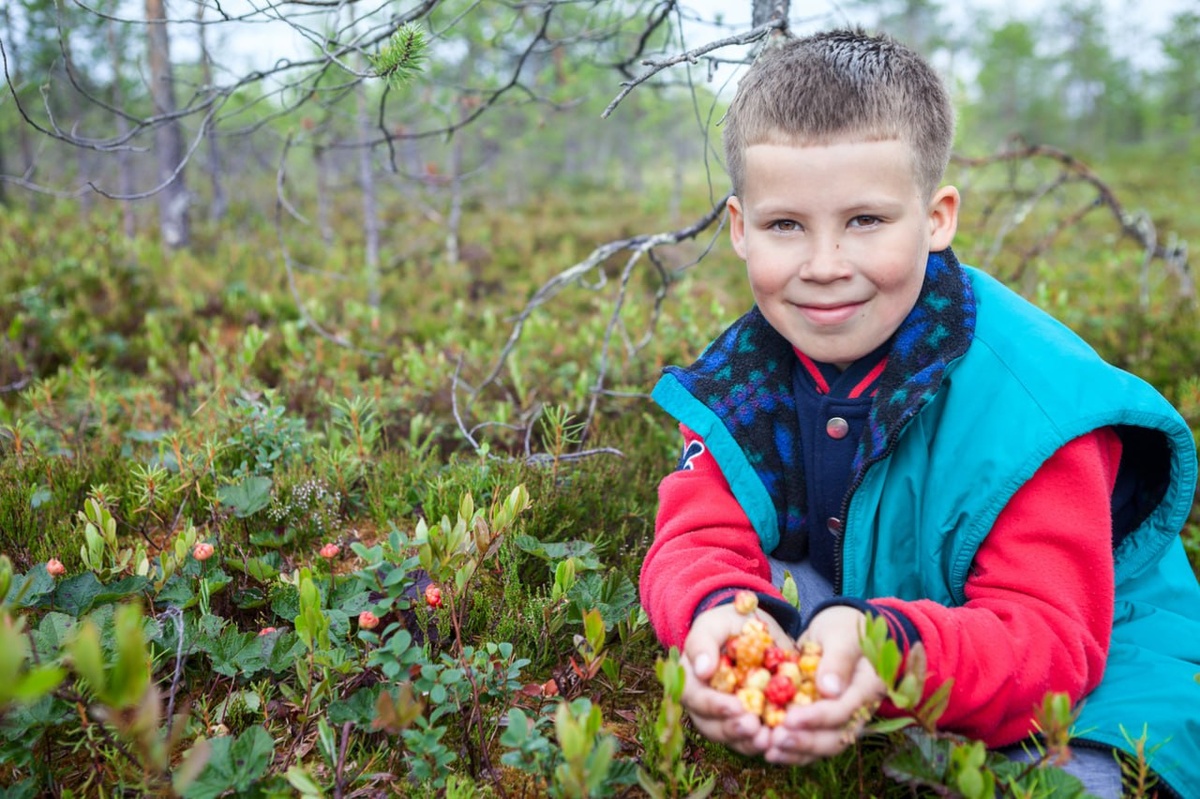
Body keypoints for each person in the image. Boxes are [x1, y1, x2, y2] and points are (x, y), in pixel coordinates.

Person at [638, 28, 1200, 799]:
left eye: (865, 220)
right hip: (900, 607)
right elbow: (696, 537)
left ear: (936, 218)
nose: (825, 265)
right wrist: (713, 623)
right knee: (751, 606)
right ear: (740, 228)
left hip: (1098, 665)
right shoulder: (742, 376)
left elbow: (1050, 643)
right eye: (785, 225)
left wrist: (886, 648)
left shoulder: (1037, 406)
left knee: (1078, 780)